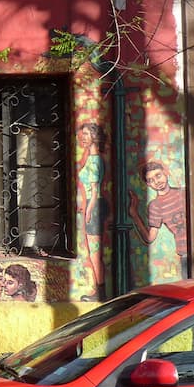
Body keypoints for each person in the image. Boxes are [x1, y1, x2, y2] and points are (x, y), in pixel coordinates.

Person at [129, 160, 188, 280]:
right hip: (185, 254)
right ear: (148, 185)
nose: (156, 182)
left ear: (166, 173)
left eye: (158, 175)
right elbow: (150, 237)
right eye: (150, 180)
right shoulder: (155, 205)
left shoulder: (184, 193)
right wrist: (134, 213)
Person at [77, 123, 106, 294]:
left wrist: (88, 210)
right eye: (82, 134)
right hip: (91, 204)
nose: (83, 137)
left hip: (94, 205)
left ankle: (100, 291)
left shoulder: (95, 160)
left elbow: (95, 191)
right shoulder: (91, 157)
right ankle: (99, 287)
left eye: (87, 134)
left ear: (95, 136)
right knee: (92, 251)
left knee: (95, 252)